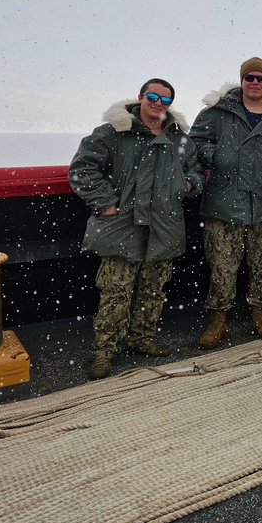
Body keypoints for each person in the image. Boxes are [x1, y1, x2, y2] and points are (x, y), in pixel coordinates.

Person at [69, 79, 204, 380]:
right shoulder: (113, 133)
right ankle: (104, 351)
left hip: (163, 225)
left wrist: (189, 184)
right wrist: (105, 203)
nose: (158, 103)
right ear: (141, 97)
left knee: (153, 288)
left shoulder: (181, 139)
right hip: (122, 226)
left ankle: (142, 339)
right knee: (115, 291)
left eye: (165, 100)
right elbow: (82, 169)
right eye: (153, 97)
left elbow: (195, 169)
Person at [190, 57, 262, 349]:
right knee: (222, 266)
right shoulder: (217, 113)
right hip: (225, 203)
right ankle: (218, 319)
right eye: (249, 77)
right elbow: (194, 143)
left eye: (261, 78)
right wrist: (219, 156)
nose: (255, 83)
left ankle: (261, 315)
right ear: (241, 80)